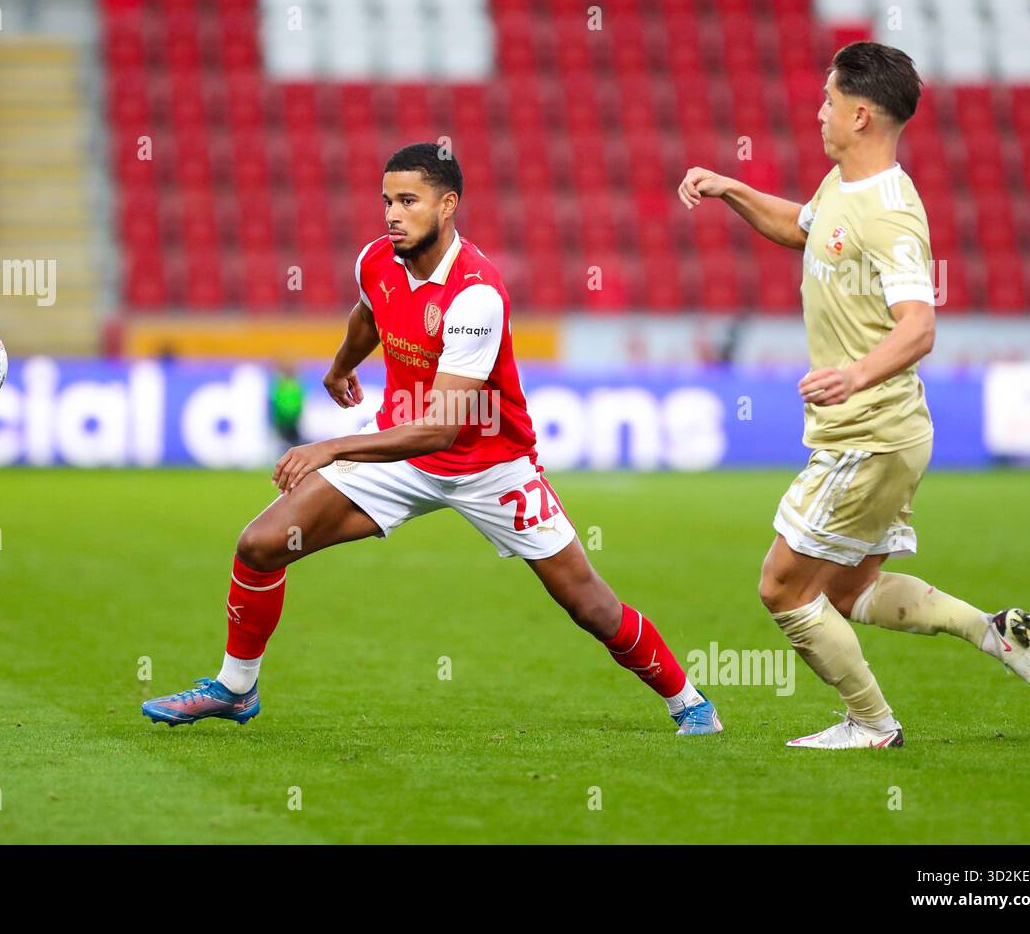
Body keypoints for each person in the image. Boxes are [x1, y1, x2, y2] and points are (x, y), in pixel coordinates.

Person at [142, 143, 722, 736]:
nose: (392, 214)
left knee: (589, 605)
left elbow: (442, 427)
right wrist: (342, 366)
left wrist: (332, 445)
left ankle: (689, 701)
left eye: (408, 201)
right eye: (387, 201)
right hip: (401, 453)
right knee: (261, 544)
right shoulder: (376, 258)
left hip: (490, 463)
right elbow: (369, 313)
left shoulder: (476, 295)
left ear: (448, 206)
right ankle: (236, 688)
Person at [677, 42, 1030, 749]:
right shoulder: (845, 187)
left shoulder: (891, 213)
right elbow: (800, 231)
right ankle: (995, 634)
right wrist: (731, 189)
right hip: (883, 431)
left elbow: (919, 325)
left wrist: (854, 374)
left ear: (860, 115)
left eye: (828, 101)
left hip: (868, 433)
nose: (818, 112)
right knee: (847, 593)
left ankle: (872, 724)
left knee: (783, 588)